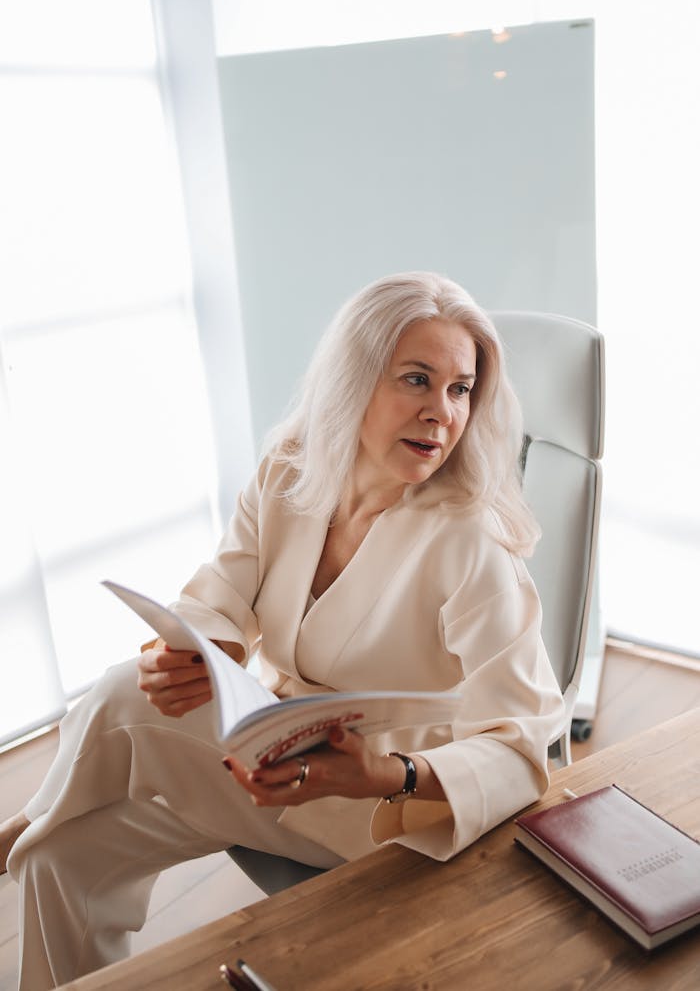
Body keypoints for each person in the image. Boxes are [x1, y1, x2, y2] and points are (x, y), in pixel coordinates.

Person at [2, 271, 565, 990]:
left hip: (381, 807)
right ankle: (36, 835)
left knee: (115, 697)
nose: (441, 414)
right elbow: (223, 591)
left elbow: (523, 747)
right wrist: (204, 653)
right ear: (355, 380)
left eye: (460, 390)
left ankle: (23, 822)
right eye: (417, 380)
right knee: (58, 863)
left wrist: (388, 776)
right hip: (263, 768)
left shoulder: (469, 544)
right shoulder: (291, 472)